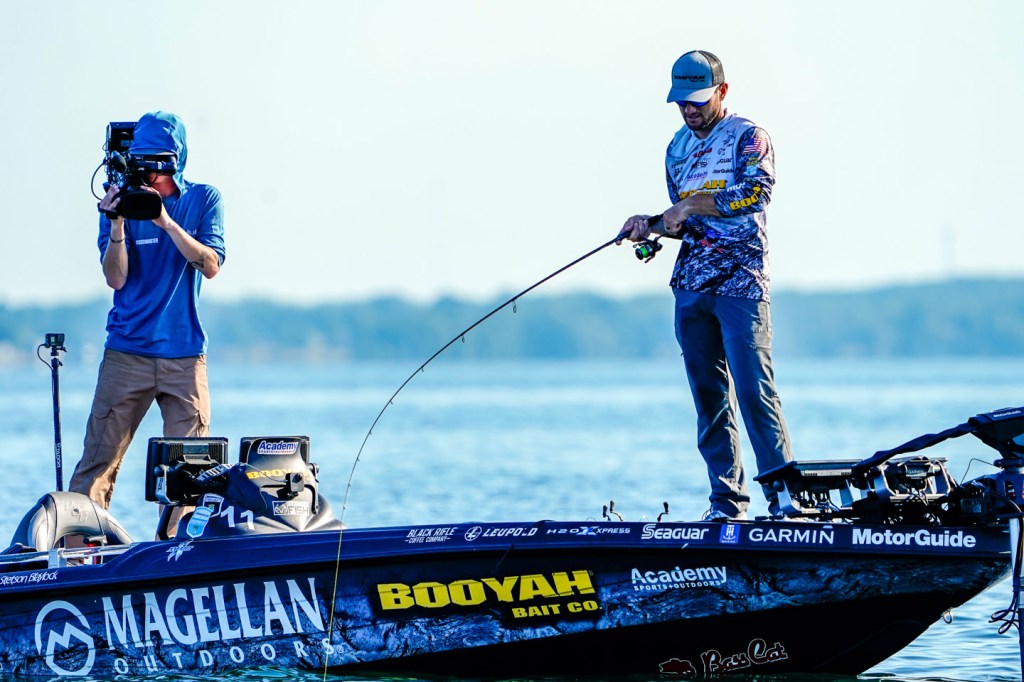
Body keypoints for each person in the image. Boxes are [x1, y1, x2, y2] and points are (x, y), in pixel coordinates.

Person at [619, 50, 793, 521]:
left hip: (742, 284)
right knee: (710, 400)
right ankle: (727, 503)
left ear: (722, 91)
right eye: (681, 101)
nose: (688, 109)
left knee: (755, 393)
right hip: (691, 286)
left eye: (697, 100)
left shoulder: (748, 137)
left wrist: (691, 205)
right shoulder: (676, 148)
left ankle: (784, 501)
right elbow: (681, 221)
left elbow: (757, 192)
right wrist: (650, 224)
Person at [69, 111, 225, 536]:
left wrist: (165, 222)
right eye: (143, 164)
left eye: (158, 165)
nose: (151, 176)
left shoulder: (203, 199)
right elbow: (116, 278)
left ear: (176, 162)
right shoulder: (117, 203)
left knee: (191, 471)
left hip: (184, 355)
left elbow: (210, 265)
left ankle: (174, 549)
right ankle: (80, 553)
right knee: (98, 461)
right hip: (127, 352)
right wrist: (117, 224)